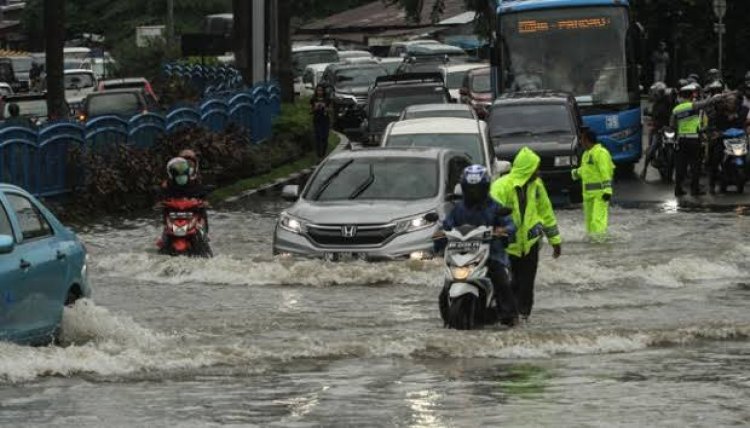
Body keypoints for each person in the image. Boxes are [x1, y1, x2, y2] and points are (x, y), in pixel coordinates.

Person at [436, 165, 519, 326]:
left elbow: (510, 224)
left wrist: (503, 230)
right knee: (444, 289)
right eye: (470, 189)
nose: (474, 193)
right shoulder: (458, 209)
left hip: (491, 254)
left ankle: (510, 315)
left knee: (501, 281)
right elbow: (446, 225)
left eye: (478, 189)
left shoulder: (495, 206)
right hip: (461, 254)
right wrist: (439, 236)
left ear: (485, 188)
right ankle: (446, 318)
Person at [490, 148, 562, 322]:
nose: (538, 172)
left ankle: (523, 317)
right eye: (535, 168)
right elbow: (490, 213)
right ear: (526, 169)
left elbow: (546, 212)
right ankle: (506, 317)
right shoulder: (501, 186)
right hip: (507, 245)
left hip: (530, 244)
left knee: (526, 284)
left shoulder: (536, 186)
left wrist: (555, 240)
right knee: (506, 284)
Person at [572, 128, 615, 238]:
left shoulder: (601, 153)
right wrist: (575, 173)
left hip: (600, 195)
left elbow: (605, 172)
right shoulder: (586, 154)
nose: (580, 142)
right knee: (589, 224)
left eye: (581, 139)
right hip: (588, 196)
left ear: (587, 140)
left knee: (597, 221)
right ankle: (593, 245)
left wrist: (607, 190)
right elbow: (586, 170)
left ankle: (601, 244)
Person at [672, 83, 708, 197]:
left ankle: (678, 189)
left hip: (681, 140)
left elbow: (672, 125)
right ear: (692, 96)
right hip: (694, 140)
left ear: (682, 96)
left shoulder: (676, 109)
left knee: (680, 166)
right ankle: (695, 189)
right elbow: (704, 122)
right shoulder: (695, 106)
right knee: (695, 165)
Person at [641, 82, 675, 179]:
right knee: (652, 148)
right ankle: (644, 169)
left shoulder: (670, 102)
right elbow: (651, 116)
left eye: (659, 92)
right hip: (658, 130)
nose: (657, 94)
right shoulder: (655, 105)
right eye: (657, 93)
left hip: (668, 129)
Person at [310, 84, 331, 160]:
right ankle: (319, 154)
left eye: (321, 90)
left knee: (325, 136)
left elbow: (330, 110)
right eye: (318, 90)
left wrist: (325, 107)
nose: (319, 92)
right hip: (317, 119)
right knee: (318, 136)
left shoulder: (327, 99)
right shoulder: (313, 99)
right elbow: (310, 110)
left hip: (325, 120)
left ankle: (324, 153)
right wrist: (315, 108)